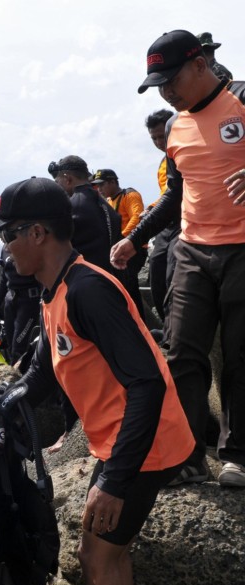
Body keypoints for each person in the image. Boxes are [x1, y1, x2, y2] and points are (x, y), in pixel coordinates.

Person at [0, 176, 193, 585]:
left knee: (98, 557)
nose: (5, 246)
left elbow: (147, 382)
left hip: (146, 446)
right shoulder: (54, 293)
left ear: (37, 233)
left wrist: (114, 481)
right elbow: (39, 376)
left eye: (7, 234)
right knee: (101, 551)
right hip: (126, 443)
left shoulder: (88, 291)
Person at [112, 29, 245, 487]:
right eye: (157, 85)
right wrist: (136, 237)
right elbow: (175, 193)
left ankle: (238, 456)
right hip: (192, 248)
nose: (166, 91)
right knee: (182, 353)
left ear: (200, 66)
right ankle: (188, 457)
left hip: (242, 249)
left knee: (239, 354)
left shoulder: (242, 99)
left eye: (171, 79)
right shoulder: (174, 126)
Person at [48, 155, 122, 274]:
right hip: (111, 277)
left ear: (67, 179)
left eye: (58, 181)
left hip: (83, 278)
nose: (58, 186)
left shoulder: (70, 207)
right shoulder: (106, 205)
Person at [90, 168, 146, 318]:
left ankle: (138, 322)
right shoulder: (108, 201)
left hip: (134, 248)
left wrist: (122, 238)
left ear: (113, 182)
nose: (99, 189)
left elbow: (137, 218)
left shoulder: (130, 195)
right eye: (97, 186)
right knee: (122, 286)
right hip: (118, 249)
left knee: (129, 286)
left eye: (102, 185)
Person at [143, 109, 179, 324]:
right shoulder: (162, 163)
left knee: (175, 275)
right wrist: (152, 208)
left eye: (161, 136)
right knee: (156, 273)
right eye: (154, 138)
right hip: (165, 224)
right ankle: (167, 328)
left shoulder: (186, 153)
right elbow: (165, 194)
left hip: (184, 223)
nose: (158, 142)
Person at [0, 245, 41, 364]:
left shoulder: (28, 244)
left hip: (28, 302)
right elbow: (3, 277)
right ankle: (15, 370)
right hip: (10, 300)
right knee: (10, 342)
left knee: (19, 344)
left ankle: (18, 378)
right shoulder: (4, 249)